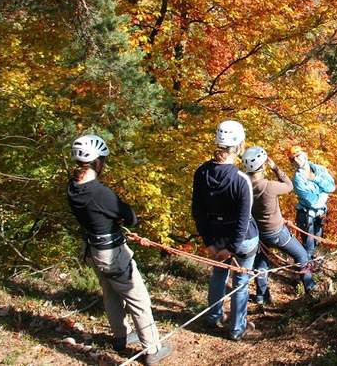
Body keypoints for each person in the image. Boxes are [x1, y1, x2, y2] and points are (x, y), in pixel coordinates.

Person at [66, 135, 173, 365]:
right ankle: (153, 349)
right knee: (138, 298)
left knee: (111, 293)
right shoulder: (100, 192)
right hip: (112, 253)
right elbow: (131, 217)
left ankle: (120, 338)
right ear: (96, 162)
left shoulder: (73, 187)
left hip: (93, 250)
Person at [191, 120, 259, 341]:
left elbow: (198, 211)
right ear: (239, 146)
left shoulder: (201, 173)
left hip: (216, 236)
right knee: (241, 281)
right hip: (242, 239)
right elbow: (243, 219)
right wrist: (233, 247)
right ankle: (237, 328)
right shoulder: (241, 180)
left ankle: (213, 317)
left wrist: (210, 242)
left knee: (219, 275)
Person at [241, 146, 316, 304]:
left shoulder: (243, 186)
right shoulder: (269, 186)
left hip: (256, 232)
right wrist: (275, 168)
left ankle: (262, 296)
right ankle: (311, 288)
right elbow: (289, 185)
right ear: (262, 166)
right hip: (276, 231)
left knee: (261, 263)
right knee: (301, 256)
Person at [288, 146, 336, 259]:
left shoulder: (320, 169)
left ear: (305, 154)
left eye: (297, 156)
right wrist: (324, 193)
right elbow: (313, 202)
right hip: (305, 215)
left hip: (320, 214)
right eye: (292, 159)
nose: (296, 160)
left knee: (317, 242)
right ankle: (305, 271)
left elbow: (331, 187)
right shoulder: (297, 179)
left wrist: (315, 179)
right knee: (308, 246)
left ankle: (311, 265)